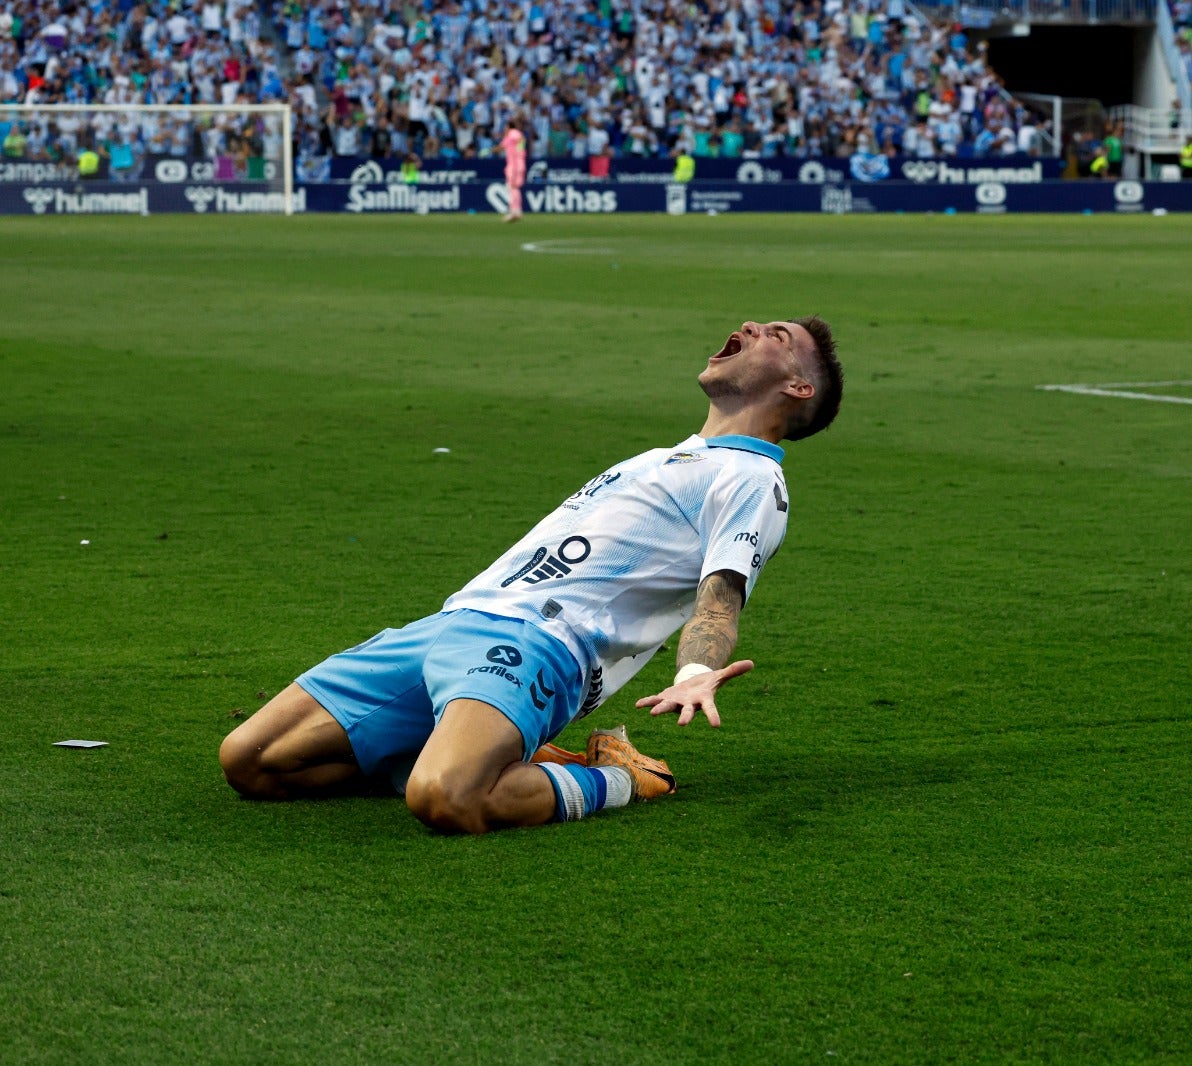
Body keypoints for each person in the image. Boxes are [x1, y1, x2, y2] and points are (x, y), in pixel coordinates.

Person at [220, 319, 844, 836]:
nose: (750, 327)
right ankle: (481, 746)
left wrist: (694, 672)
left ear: (797, 387)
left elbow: (721, 595)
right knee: (252, 763)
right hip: (451, 623)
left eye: (777, 336)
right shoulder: (662, 457)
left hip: (539, 647)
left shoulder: (752, 477)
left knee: (446, 799)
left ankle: (623, 778)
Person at [497, 121, 526, 222]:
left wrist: (519, 152)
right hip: (516, 164)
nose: (504, 128)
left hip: (515, 164)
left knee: (512, 187)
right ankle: (516, 210)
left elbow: (521, 140)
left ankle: (515, 211)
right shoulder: (508, 137)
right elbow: (501, 147)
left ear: (509, 126)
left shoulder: (513, 132)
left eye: (505, 126)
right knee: (514, 188)